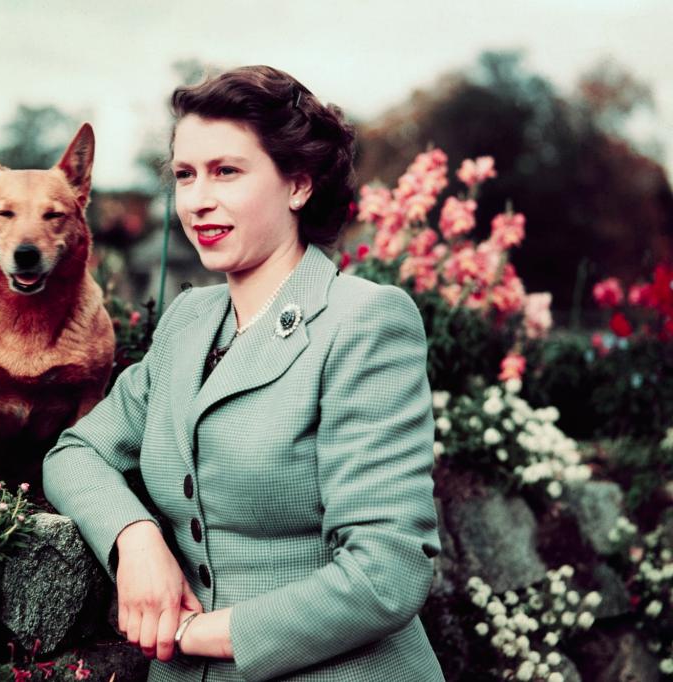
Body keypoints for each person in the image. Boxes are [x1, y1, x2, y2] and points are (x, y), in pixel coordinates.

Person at [42, 64, 445, 682]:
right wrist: (136, 537)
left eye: (227, 171)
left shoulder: (365, 321)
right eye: (185, 175)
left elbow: (387, 570)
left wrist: (202, 632)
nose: (198, 199)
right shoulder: (188, 322)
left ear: (298, 186)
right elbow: (75, 453)